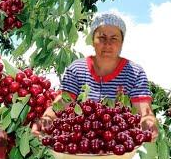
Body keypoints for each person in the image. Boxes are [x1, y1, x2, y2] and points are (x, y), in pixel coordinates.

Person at [32, 12, 158, 141]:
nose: (107, 44)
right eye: (102, 38)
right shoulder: (77, 69)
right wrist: (47, 118)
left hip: (117, 147)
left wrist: (148, 122)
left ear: (122, 42)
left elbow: (144, 111)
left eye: (114, 38)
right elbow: (63, 101)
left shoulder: (135, 72)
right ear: (93, 40)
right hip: (80, 145)